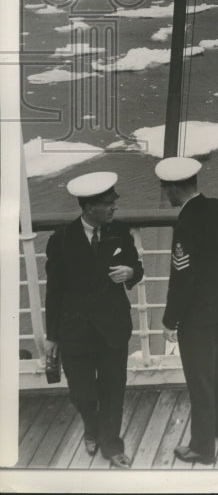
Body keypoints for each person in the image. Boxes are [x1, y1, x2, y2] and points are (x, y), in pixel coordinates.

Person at [44, 171, 143, 469]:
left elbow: (136, 266)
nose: (115, 208)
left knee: (114, 390)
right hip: (75, 330)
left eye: (114, 202)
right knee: (82, 392)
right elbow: (54, 290)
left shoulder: (120, 232)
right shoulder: (60, 240)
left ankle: (111, 445)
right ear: (88, 208)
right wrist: (52, 336)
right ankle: (91, 426)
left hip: (112, 326)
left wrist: (131, 273)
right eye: (108, 204)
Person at [155, 156, 218, 465]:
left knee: (200, 381)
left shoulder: (186, 223)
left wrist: (169, 320)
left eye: (166, 189)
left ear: (175, 189)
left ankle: (202, 448)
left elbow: (182, 278)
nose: (166, 195)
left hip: (198, 317)